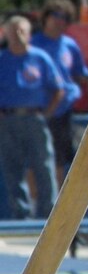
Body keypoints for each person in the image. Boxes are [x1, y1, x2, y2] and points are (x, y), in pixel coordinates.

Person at [0, 15, 65, 219]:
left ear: (29, 34)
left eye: (22, 31)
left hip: (35, 117)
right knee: (12, 167)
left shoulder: (40, 58)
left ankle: (47, 212)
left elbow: (58, 88)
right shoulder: (2, 60)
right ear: (6, 34)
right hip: (8, 118)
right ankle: (21, 213)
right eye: (13, 31)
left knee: (43, 165)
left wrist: (48, 112)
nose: (17, 36)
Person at [31, 0, 88, 186]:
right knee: (35, 159)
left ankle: (54, 205)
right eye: (56, 16)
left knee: (58, 158)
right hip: (38, 110)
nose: (60, 22)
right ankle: (33, 208)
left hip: (63, 111)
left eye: (65, 18)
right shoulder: (34, 44)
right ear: (46, 18)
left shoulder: (69, 45)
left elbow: (80, 73)